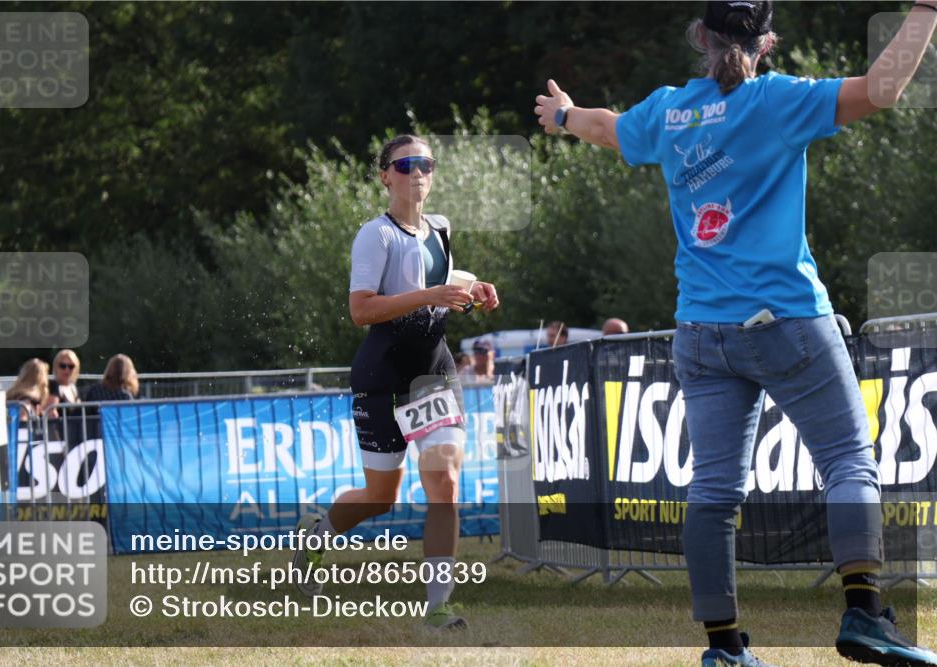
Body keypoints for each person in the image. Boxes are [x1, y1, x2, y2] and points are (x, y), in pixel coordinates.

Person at [535, 2, 937, 666]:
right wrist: (924, 11)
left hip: (702, 331)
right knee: (848, 461)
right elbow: (884, 89)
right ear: (769, 43)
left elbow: (608, 128)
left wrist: (563, 117)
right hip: (787, 321)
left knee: (715, 490)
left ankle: (724, 648)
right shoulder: (778, 101)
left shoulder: (668, 111)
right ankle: (864, 612)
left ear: (699, 37)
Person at [292, 134, 499, 630]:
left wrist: (473, 287)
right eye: (405, 165)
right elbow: (361, 309)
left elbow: (439, 276)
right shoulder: (374, 235)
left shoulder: (441, 228)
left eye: (425, 163)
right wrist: (432, 292)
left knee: (444, 483)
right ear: (385, 174)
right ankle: (315, 536)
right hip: (383, 377)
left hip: (433, 375)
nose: (417, 173)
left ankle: (438, 605)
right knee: (381, 497)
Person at [44, 349, 81, 419]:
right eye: (62, 366)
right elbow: (51, 414)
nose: (67, 370)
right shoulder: (53, 386)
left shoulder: (73, 388)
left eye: (71, 366)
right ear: (56, 367)